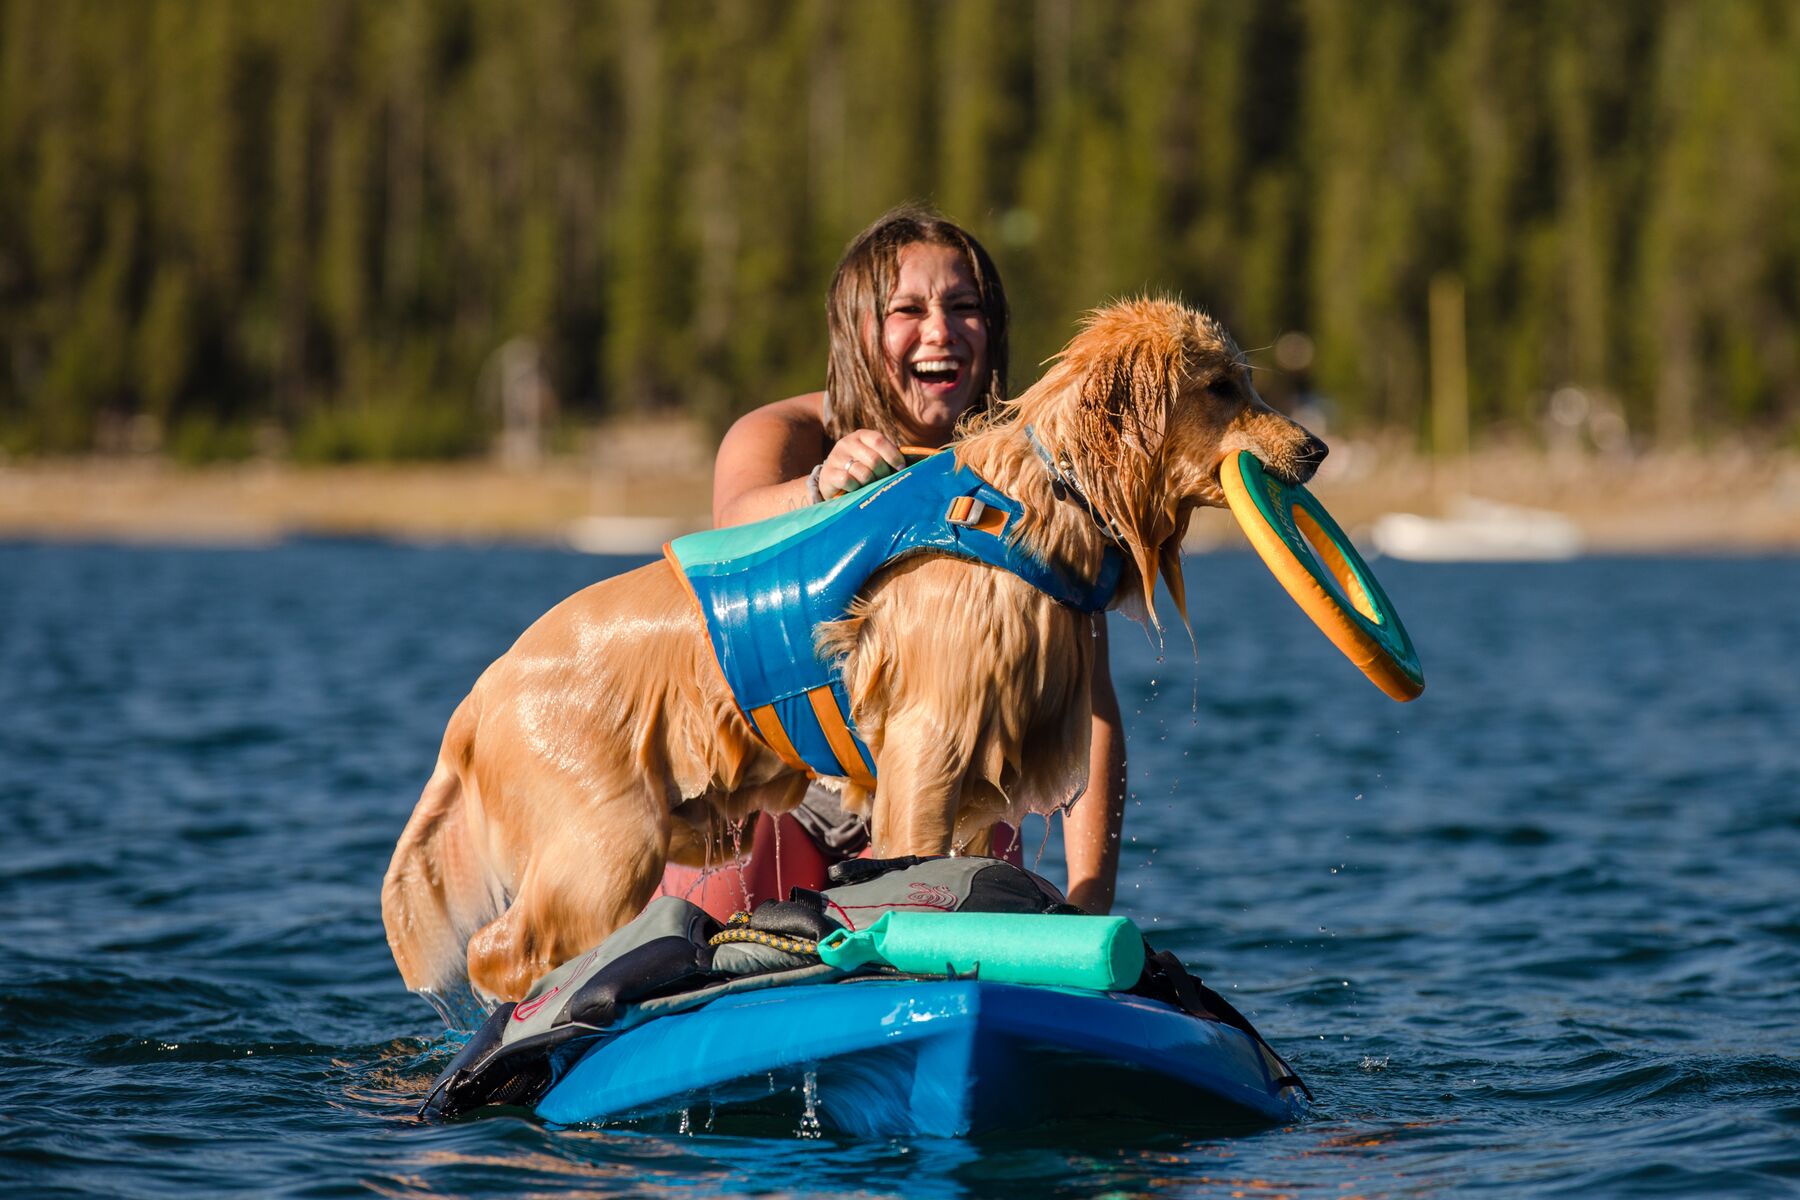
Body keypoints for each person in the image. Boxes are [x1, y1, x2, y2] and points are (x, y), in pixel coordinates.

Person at [657, 205, 1126, 915]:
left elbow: (1091, 710)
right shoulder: (790, 433)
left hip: (958, 794)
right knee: (703, 912)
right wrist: (820, 485)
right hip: (784, 799)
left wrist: (1090, 906)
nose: (941, 331)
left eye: (964, 307)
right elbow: (733, 524)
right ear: (857, 332)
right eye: (908, 309)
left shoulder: (1030, 489)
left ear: (991, 332)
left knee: (975, 867)